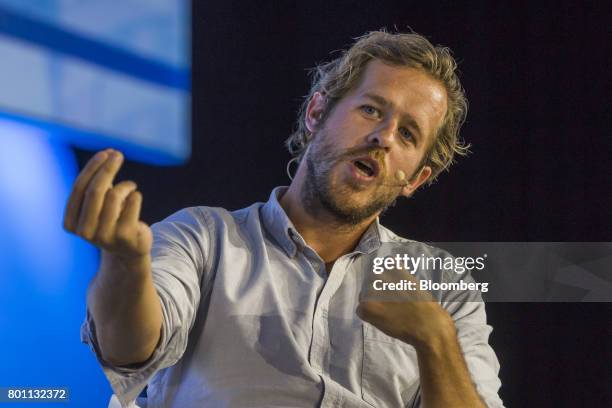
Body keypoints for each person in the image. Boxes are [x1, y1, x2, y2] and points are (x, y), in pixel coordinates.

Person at [64, 30, 504, 407]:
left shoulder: (442, 285)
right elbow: (129, 349)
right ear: (317, 113)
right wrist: (124, 264)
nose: (383, 137)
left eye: (408, 134)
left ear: (416, 178)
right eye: (371, 109)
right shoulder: (203, 238)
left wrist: (436, 340)